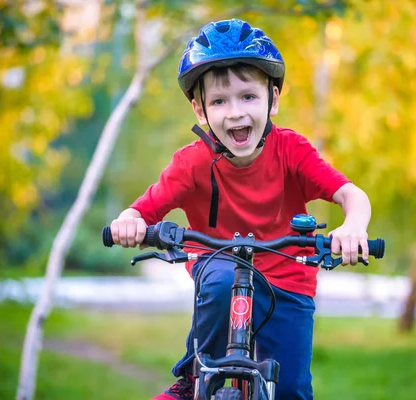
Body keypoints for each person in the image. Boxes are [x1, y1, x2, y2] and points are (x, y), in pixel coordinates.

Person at [110, 19, 371, 400]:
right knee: (218, 280)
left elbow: (351, 194)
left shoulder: (292, 151)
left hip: (288, 280)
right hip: (217, 265)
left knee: (291, 391)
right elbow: (141, 211)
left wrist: (354, 227)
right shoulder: (190, 164)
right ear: (200, 110)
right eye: (219, 101)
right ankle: (194, 375)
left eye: (248, 96)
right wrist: (128, 223)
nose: (235, 112)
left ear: (273, 100)